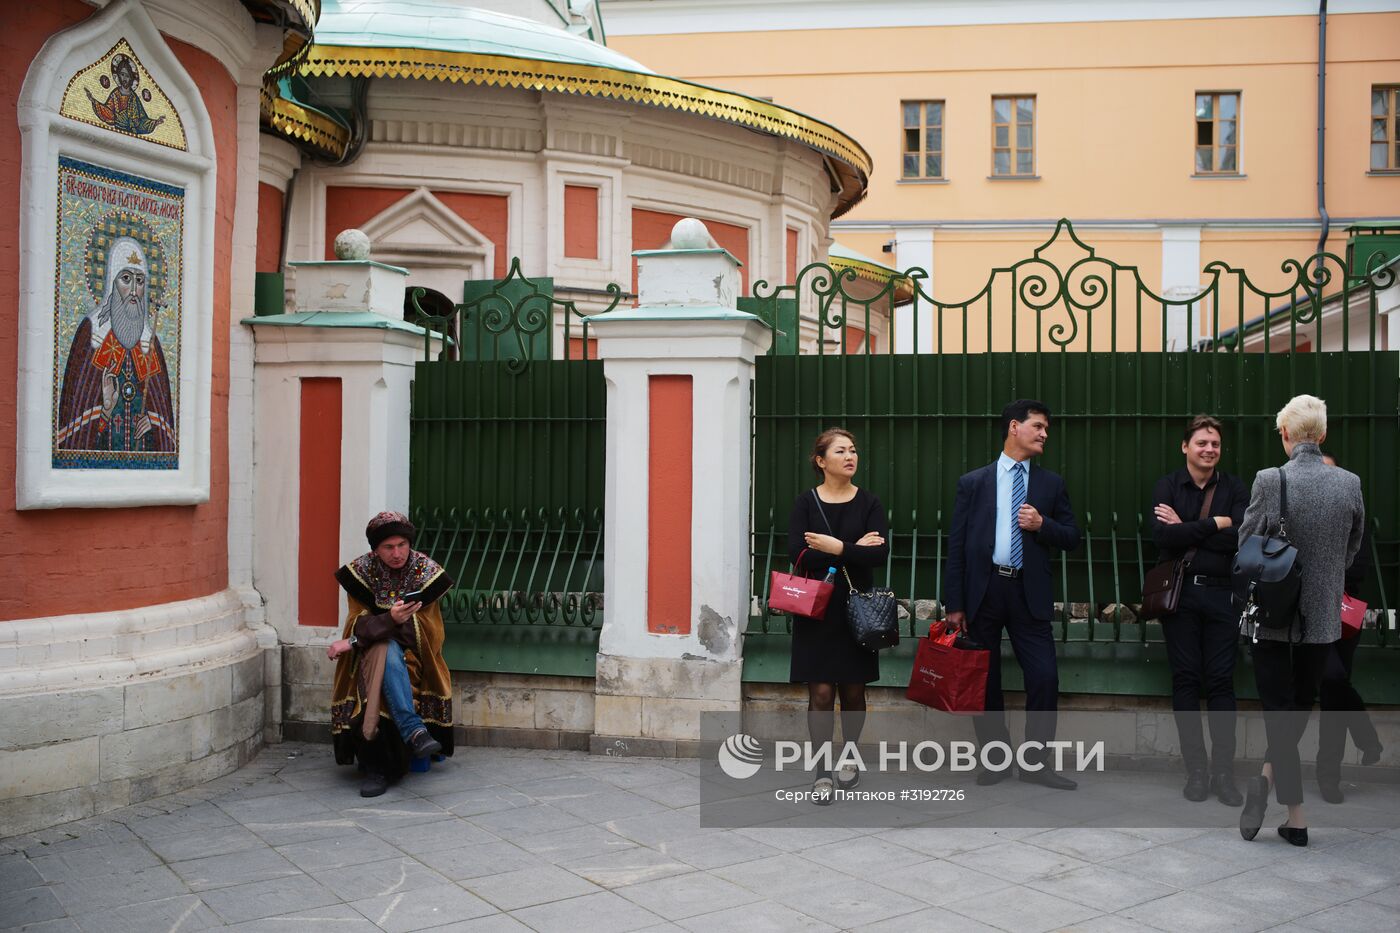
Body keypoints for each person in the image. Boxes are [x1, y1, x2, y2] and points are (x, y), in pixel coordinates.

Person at [1237, 396, 1364, 846]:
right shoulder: (1349, 483)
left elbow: (1247, 542)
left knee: (1278, 715)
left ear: (1285, 435)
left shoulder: (1270, 479)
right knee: (1296, 710)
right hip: (1323, 616)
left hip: (1273, 613)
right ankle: (1282, 802)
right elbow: (1353, 546)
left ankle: (1294, 811)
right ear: (1323, 435)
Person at [945, 400, 1081, 790]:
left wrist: (1043, 524)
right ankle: (996, 758)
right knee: (983, 680)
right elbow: (956, 547)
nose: (1044, 434)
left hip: (1028, 591)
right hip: (984, 592)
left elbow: (1072, 537)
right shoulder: (974, 482)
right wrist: (955, 604)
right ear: (1014, 427)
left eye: (1046, 430)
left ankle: (1036, 764)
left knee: (1044, 677)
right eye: (1038, 426)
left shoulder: (1051, 484)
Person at [786, 428, 889, 804]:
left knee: (853, 690)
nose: (851, 456)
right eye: (841, 450)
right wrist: (849, 548)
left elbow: (879, 554)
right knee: (822, 691)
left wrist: (833, 546)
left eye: (853, 450)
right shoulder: (806, 503)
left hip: (856, 609)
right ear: (821, 460)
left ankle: (850, 756)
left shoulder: (869, 503)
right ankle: (821, 771)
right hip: (817, 609)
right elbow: (798, 555)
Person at [1149, 415, 1247, 806]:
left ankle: (1223, 774)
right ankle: (1197, 772)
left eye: (1215, 444)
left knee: (1222, 682)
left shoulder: (1235, 487)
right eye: (1202, 442)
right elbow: (1163, 537)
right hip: (1181, 598)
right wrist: (1216, 524)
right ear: (1185, 447)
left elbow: (1241, 538)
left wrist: (1190, 526)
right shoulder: (1168, 485)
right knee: (1186, 680)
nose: (1210, 449)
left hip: (1224, 596)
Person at [328, 512, 456, 797]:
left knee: (386, 655)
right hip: (366, 655)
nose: (397, 553)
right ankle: (414, 733)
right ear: (375, 549)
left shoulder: (425, 573)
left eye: (402, 545)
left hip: (415, 656)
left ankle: (378, 769)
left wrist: (372, 632)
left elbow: (428, 633)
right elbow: (355, 622)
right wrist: (390, 622)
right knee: (383, 653)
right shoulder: (360, 573)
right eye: (388, 547)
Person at [57, 237, 176, 454]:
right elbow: (72, 428)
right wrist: (105, 411)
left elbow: (165, 420)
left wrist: (153, 423)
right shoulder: (92, 334)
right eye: (126, 278)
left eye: (140, 281)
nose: (133, 290)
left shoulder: (150, 342)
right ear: (112, 281)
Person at [1315, 452, 1383, 803]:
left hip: (1342, 614)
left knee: (1333, 694)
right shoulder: (1300, 515)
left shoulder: (1351, 518)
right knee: (1334, 681)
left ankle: (1329, 777)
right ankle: (1366, 738)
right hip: (1308, 614)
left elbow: (1358, 571)